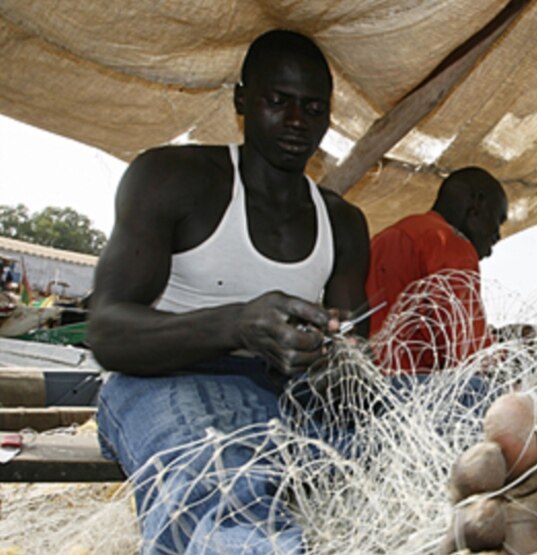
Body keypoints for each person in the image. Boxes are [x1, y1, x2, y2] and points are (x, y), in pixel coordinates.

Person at [88, 30, 369, 553]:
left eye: (312, 108)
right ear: (242, 99)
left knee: (439, 420)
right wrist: (237, 323)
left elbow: (353, 348)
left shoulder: (343, 223)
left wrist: (339, 358)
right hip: (163, 382)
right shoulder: (173, 177)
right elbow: (104, 330)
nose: (295, 122)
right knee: (215, 489)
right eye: (277, 101)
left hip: (288, 397)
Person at [365, 167, 507, 373]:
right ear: (477, 204)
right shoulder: (449, 243)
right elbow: (473, 355)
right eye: (499, 219)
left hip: (364, 381)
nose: (498, 234)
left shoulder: (385, 238)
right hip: (411, 387)